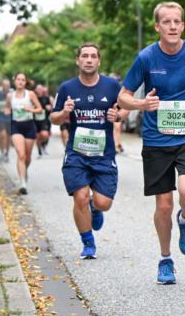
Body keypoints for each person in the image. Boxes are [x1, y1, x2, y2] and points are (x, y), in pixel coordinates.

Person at [117, 1, 185, 285]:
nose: (172, 26)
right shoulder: (146, 58)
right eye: (167, 22)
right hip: (156, 139)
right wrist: (141, 104)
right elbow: (123, 96)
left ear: (183, 26)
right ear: (157, 27)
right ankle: (165, 259)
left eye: (177, 22)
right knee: (163, 206)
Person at [50, 44, 127, 259]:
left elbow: (126, 105)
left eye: (93, 56)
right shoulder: (67, 88)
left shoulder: (112, 85)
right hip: (77, 153)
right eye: (85, 56)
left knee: (104, 203)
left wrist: (118, 115)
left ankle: (95, 207)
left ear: (99, 61)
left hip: (104, 154)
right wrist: (64, 112)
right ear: (78, 60)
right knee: (80, 197)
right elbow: (53, 118)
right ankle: (88, 242)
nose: (89, 60)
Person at [6, 72, 43, 194]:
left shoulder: (30, 94)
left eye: (23, 80)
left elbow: (40, 109)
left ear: (25, 82)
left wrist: (30, 109)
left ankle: (24, 171)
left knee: (27, 157)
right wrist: (6, 111)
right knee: (21, 155)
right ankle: (22, 183)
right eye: (18, 79)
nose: (20, 81)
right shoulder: (10, 96)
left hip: (29, 126)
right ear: (15, 81)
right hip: (16, 126)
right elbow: (7, 108)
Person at [0, 78, 12, 162]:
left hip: (10, 118)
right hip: (0, 117)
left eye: (7, 85)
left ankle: (6, 153)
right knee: (2, 135)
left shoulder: (12, 94)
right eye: (5, 85)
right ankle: (2, 152)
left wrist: (10, 109)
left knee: (8, 137)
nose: (6, 87)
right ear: (2, 85)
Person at [34, 84, 53, 156]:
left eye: (40, 88)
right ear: (35, 90)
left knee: (45, 135)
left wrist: (50, 107)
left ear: (43, 90)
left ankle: (42, 144)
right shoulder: (33, 98)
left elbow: (55, 108)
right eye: (38, 89)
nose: (39, 90)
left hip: (44, 120)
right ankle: (39, 150)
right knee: (37, 136)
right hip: (35, 120)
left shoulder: (47, 98)